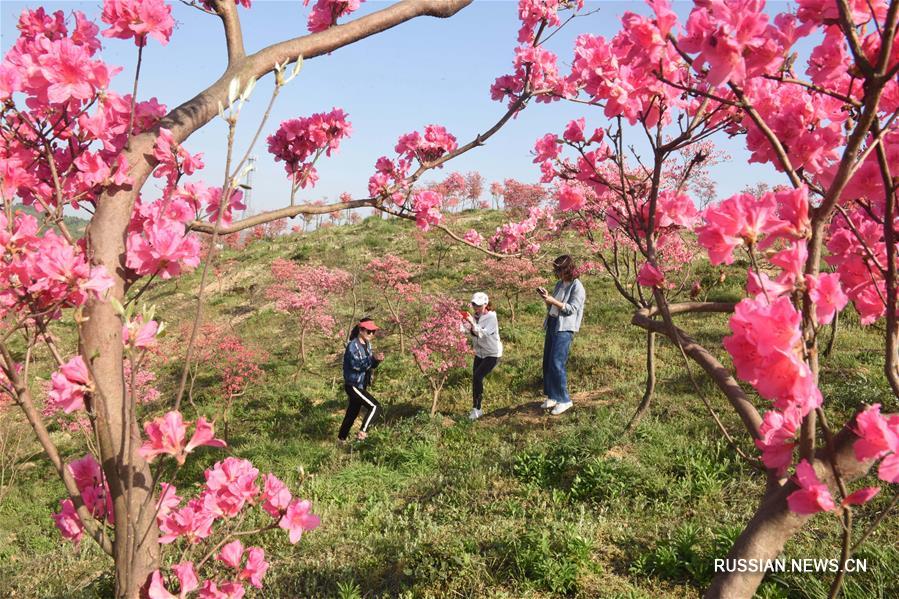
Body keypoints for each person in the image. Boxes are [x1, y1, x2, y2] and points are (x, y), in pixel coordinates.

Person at [537, 255, 585, 415]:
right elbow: (552, 305)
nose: (558, 272)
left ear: (568, 269)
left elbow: (572, 309)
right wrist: (547, 299)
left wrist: (553, 301)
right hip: (552, 322)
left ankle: (565, 399)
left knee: (557, 363)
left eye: (560, 269)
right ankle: (552, 396)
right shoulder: (559, 284)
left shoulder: (577, 286)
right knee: (548, 362)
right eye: (556, 269)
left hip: (564, 328)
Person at [338, 318, 384, 442]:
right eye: (368, 331)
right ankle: (362, 435)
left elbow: (369, 366)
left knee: (352, 414)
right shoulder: (353, 346)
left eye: (373, 332)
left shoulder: (367, 345)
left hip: (361, 385)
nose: (371, 334)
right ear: (361, 330)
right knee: (375, 407)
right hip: (353, 385)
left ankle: (341, 439)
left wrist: (376, 361)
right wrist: (372, 359)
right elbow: (357, 366)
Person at [462, 292, 503, 420]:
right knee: (475, 379)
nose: (476, 307)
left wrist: (472, 323)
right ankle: (476, 409)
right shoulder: (474, 316)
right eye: (474, 304)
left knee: (477, 377)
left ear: (486, 304)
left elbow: (484, 333)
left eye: (479, 305)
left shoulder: (491, 317)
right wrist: (463, 323)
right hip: (479, 353)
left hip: (492, 354)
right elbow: (467, 331)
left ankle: (477, 409)